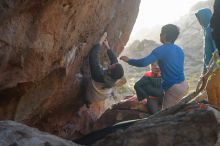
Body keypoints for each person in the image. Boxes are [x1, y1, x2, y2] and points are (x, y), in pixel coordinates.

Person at [120, 24, 189, 109]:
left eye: (161, 33)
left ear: (164, 35)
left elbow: (143, 63)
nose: (160, 35)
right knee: (176, 109)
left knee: (166, 115)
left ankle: (144, 101)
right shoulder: (179, 49)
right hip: (184, 85)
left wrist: (128, 60)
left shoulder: (160, 50)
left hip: (173, 89)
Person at [86, 32, 124, 103]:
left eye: (111, 66)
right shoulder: (114, 74)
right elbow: (114, 60)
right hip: (103, 90)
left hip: (93, 92)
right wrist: (107, 46)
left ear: (110, 72)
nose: (111, 64)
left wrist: (101, 40)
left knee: (85, 87)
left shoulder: (99, 75)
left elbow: (93, 56)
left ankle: (86, 101)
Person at [195, 8, 216, 73]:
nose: (199, 21)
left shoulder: (212, 29)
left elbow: (216, 50)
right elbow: (207, 52)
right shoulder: (206, 29)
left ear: (205, 17)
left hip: (215, 66)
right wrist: (205, 68)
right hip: (210, 66)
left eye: (199, 19)